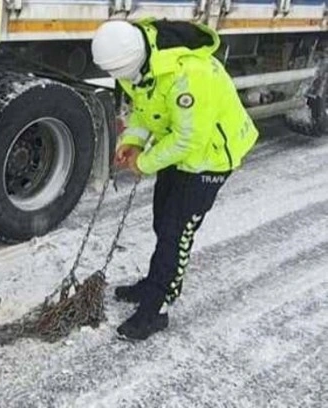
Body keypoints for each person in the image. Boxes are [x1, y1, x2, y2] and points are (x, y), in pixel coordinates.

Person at [91, 18, 258, 340]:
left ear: (134, 59)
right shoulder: (140, 67)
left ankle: (157, 307)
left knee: (176, 233)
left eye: (120, 72)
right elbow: (143, 108)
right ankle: (159, 282)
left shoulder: (189, 74)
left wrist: (145, 162)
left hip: (209, 158)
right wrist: (133, 143)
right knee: (162, 222)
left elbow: (189, 139)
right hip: (177, 154)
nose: (119, 79)